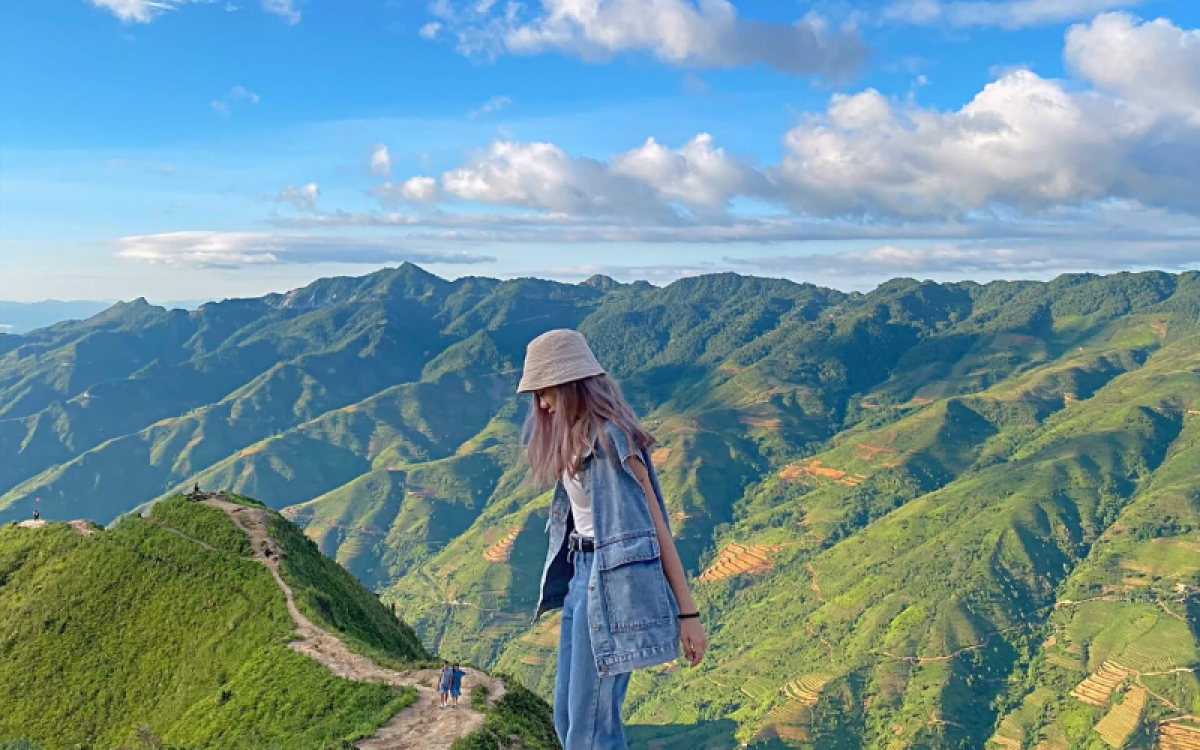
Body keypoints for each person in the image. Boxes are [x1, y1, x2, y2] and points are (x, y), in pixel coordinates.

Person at [520, 329, 708, 750]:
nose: (542, 404)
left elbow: (656, 528)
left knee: (592, 729)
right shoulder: (574, 437)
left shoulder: (612, 440)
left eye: (545, 391)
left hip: (609, 587)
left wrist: (688, 614)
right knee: (567, 718)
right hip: (579, 579)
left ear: (569, 383)